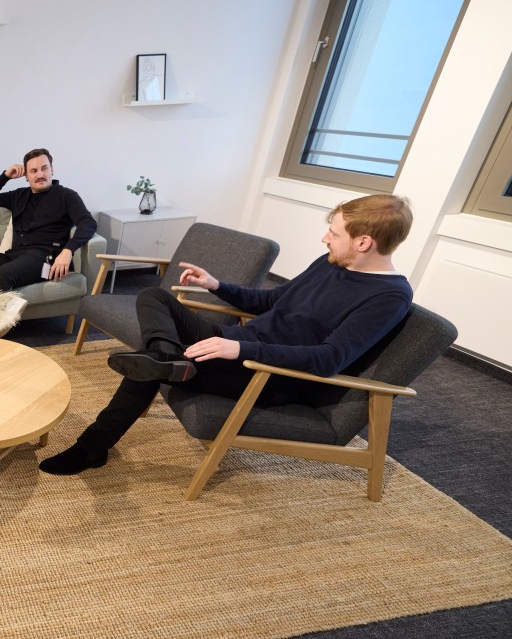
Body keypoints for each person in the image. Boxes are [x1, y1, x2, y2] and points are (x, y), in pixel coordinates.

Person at [39, 194, 415, 475]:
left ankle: (92, 446)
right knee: (155, 296)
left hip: (266, 373)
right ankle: (165, 357)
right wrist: (217, 284)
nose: (324, 239)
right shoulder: (331, 261)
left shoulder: (388, 296)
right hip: (239, 345)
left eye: (333, 233)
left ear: (364, 242)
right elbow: (271, 301)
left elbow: (328, 359)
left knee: (150, 367)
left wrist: (238, 348)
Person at [0, 148, 97, 337]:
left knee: (5, 274)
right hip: (15, 255)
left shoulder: (67, 196)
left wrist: (68, 251)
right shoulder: (19, 195)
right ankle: (10, 301)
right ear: (26, 175)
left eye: (44, 168)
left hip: (46, 258)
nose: (40, 175)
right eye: (33, 171)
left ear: (52, 170)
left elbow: (88, 223)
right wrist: (6, 176)